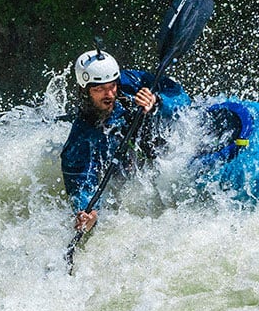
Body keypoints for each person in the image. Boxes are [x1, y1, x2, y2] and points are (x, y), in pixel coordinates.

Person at [60, 48, 189, 233]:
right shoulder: (81, 138)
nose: (110, 94)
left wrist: (159, 102)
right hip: (127, 171)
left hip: (162, 148)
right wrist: (89, 213)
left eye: (112, 86)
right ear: (85, 91)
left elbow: (183, 99)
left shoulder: (132, 82)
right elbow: (81, 184)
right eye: (99, 89)